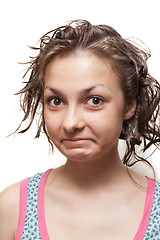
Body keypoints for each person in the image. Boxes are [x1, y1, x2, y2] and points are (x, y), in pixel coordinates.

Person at [0, 19, 160, 240]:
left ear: (129, 105)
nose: (70, 123)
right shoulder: (13, 207)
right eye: (56, 101)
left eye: (94, 100)